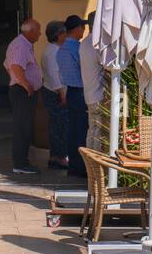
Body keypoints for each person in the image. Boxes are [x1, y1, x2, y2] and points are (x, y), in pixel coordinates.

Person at [4, 18, 43, 175]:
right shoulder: (21, 44)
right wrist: (25, 84)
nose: (40, 34)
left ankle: (22, 161)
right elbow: (15, 66)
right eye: (38, 30)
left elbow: (7, 65)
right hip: (22, 91)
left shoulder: (21, 44)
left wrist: (17, 79)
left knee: (24, 127)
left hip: (20, 89)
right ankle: (20, 163)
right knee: (22, 128)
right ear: (30, 31)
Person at [59, 15, 88, 177]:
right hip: (81, 91)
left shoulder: (61, 49)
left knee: (72, 130)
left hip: (70, 91)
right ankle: (82, 167)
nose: (84, 30)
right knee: (82, 130)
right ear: (76, 29)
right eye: (82, 27)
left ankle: (73, 166)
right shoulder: (78, 48)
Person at [39, 20, 69, 170]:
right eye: (64, 33)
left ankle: (56, 156)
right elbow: (53, 74)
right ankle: (59, 157)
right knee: (60, 126)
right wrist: (62, 93)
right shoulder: (53, 52)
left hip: (53, 92)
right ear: (58, 35)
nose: (66, 36)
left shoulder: (52, 49)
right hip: (55, 94)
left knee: (57, 125)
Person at [80, 11, 105, 151]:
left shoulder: (84, 43)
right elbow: (108, 65)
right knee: (100, 133)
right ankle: (97, 166)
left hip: (89, 93)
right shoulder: (97, 43)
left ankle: (90, 166)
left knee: (92, 130)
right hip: (100, 95)